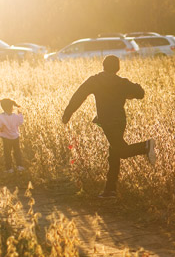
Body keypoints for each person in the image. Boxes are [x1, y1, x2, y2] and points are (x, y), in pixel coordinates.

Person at [62, 55, 155, 198]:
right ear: (117, 68)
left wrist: (68, 113)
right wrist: (131, 92)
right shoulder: (122, 82)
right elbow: (140, 93)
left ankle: (146, 146)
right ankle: (110, 190)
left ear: (103, 66)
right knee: (114, 153)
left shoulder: (94, 80)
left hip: (107, 121)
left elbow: (78, 96)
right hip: (119, 120)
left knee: (121, 151)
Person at [0, 98, 25, 173]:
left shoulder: (1, 117)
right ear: (12, 107)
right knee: (17, 151)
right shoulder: (15, 116)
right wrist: (20, 113)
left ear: (3, 107)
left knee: (7, 153)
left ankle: (9, 168)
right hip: (15, 137)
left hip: (6, 138)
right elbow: (20, 122)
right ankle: (19, 166)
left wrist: (0, 128)